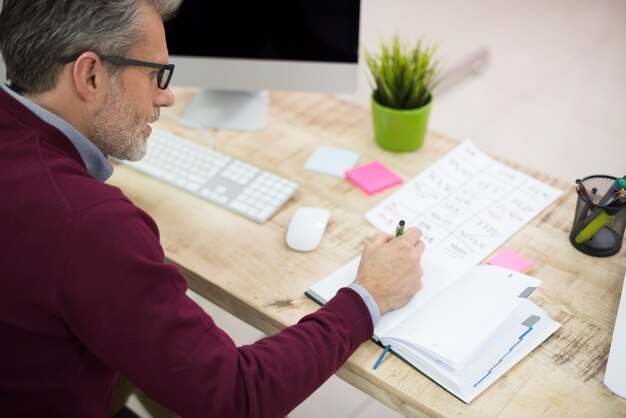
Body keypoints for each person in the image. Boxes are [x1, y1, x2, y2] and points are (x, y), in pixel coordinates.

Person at [0, 1, 426, 417]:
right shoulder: (90, 224)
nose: (166, 98)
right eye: (156, 75)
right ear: (90, 75)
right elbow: (237, 395)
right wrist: (370, 295)